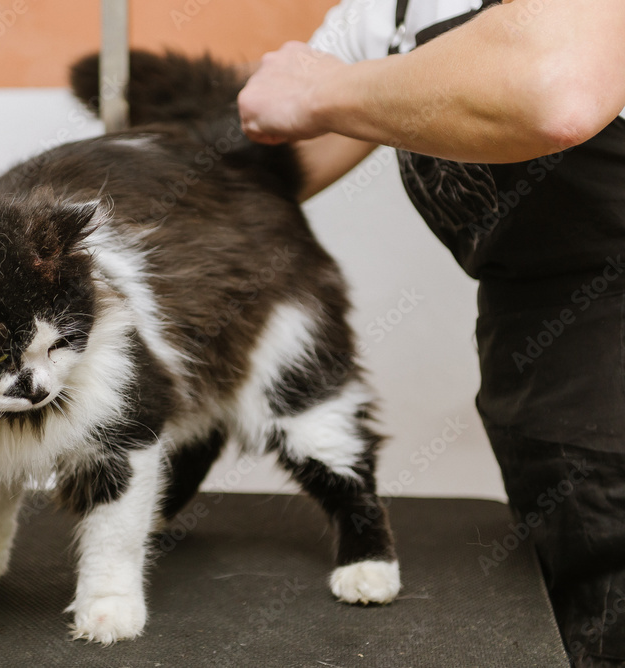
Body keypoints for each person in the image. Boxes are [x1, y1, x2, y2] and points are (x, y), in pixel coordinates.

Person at [237, 1, 625, 666]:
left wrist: (323, 90)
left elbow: (555, 89)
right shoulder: (385, 15)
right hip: (539, 397)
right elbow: (270, 150)